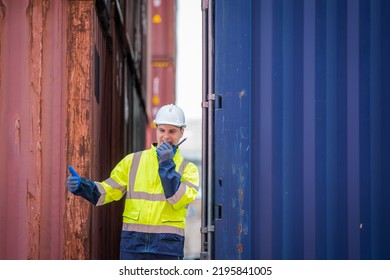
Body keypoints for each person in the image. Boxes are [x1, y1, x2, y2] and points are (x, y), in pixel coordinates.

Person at [66, 104, 199, 260]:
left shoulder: (188, 169)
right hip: (133, 244)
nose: (166, 136)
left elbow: (177, 199)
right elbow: (106, 192)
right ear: (156, 129)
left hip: (167, 247)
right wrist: (82, 186)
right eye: (162, 130)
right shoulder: (133, 161)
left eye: (172, 131)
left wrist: (166, 164)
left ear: (181, 132)